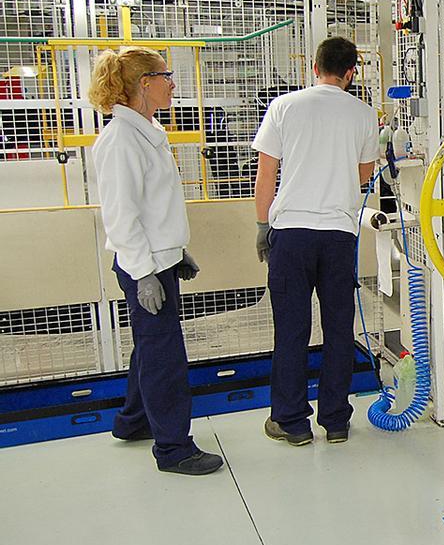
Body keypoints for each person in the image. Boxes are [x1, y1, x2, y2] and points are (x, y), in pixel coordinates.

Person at [89, 47, 224, 476]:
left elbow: (155, 205)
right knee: (165, 355)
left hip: (157, 260)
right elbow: (122, 216)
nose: (173, 83)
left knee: (152, 345)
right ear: (144, 83)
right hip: (142, 267)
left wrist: (174, 249)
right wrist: (145, 273)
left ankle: (134, 421)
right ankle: (173, 449)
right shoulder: (121, 140)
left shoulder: (147, 130)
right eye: (166, 75)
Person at [252, 37, 379, 446]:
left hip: (291, 234)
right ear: (351, 73)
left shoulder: (285, 106)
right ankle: (336, 419)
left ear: (314, 67)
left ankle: (290, 421)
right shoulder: (363, 114)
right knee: (339, 328)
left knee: (291, 328)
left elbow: (266, 174)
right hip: (339, 236)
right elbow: (364, 175)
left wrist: (261, 225)